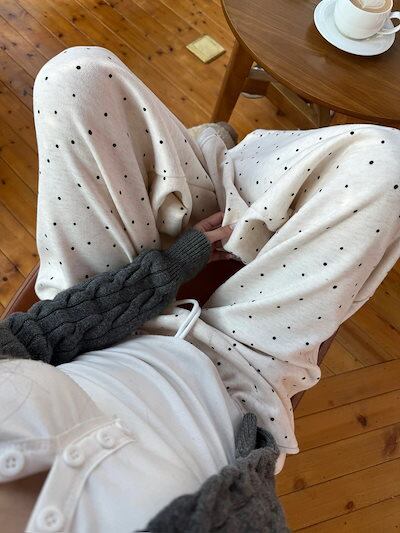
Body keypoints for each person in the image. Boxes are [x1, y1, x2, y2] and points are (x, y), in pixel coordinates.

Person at [0, 46, 399, 532]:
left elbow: (31, 338)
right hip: (244, 371)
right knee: (386, 164)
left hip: (102, 319)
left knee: (73, 78)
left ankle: (214, 168)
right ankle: (218, 163)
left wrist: (171, 265)